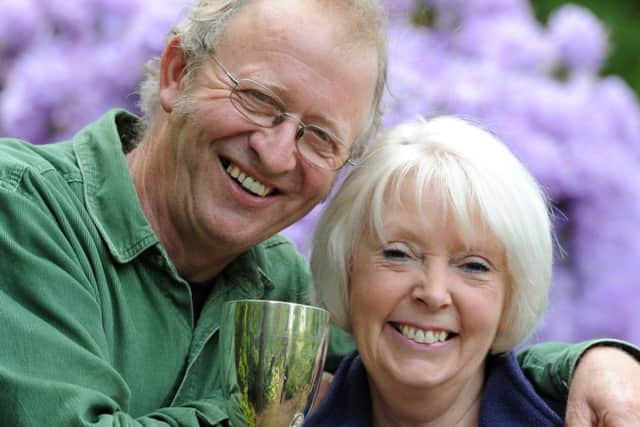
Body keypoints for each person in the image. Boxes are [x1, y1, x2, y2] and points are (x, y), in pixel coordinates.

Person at [0, 0, 638, 425]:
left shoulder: (276, 278)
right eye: (257, 99)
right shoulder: (23, 207)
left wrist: (590, 365)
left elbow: (419, 353)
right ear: (176, 74)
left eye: (319, 136)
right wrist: (263, 406)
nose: (277, 154)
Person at [304, 116, 640, 426]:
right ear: (345, 269)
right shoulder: (279, 412)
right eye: (399, 254)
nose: (433, 294)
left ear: (512, 294)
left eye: (474, 266)